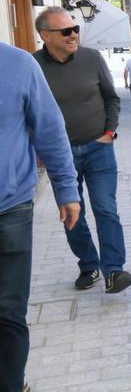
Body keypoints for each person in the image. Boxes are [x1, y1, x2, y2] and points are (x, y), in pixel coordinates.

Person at [33, 6, 131, 294]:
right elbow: (27, 110)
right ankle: (89, 265)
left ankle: (114, 270)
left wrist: (109, 132)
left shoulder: (92, 58)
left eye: (74, 28)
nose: (73, 34)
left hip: (98, 148)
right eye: (65, 31)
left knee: (106, 208)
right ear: (45, 35)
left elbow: (111, 98)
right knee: (72, 213)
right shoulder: (33, 66)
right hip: (59, 155)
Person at [0, 42, 79, 392]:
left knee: (8, 311)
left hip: (10, 207)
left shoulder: (18, 64)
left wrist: (67, 189)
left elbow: (49, 128)